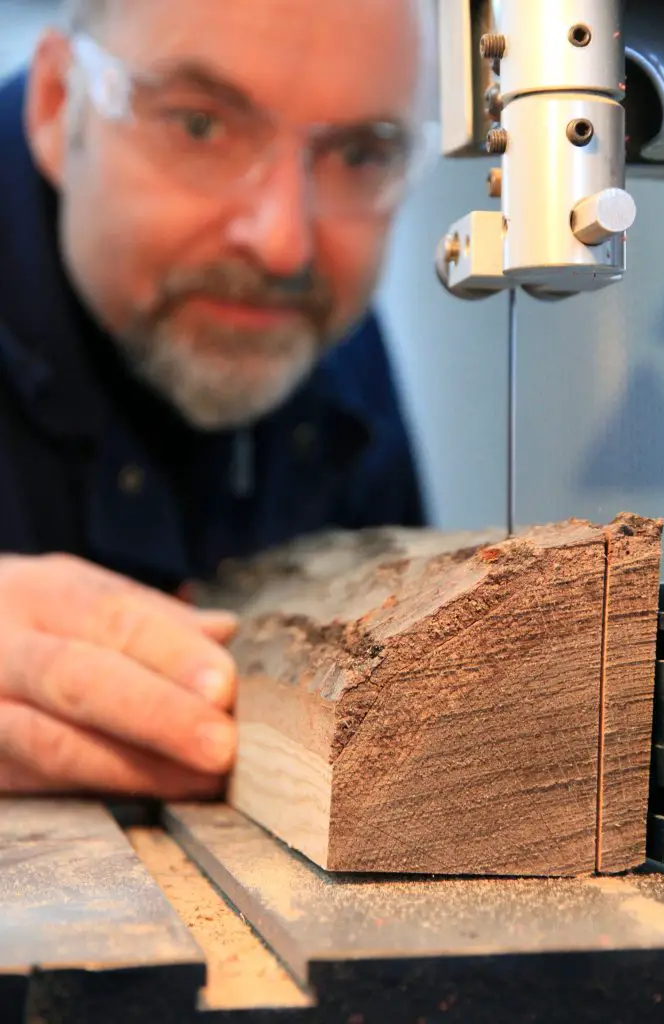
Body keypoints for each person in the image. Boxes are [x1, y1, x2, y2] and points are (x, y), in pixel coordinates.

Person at [0, 0, 433, 798]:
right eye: (200, 126)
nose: (283, 245)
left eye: (361, 154)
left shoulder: (316, 330)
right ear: (59, 105)